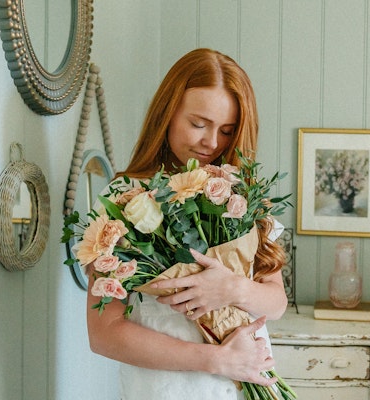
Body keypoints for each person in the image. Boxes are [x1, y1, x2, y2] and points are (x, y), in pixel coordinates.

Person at [87, 48, 288, 399]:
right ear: (167, 114)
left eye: (227, 130)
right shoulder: (124, 198)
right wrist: (218, 360)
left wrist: (232, 288)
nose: (211, 142)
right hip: (166, 389)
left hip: (245, 382)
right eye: (198, 124)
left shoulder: (241, 194)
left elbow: (276, 302)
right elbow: (104, 334)